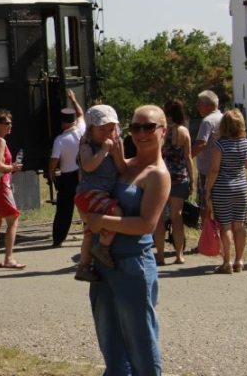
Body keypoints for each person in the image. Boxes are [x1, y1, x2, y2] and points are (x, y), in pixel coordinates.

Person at [82, 105, 170, 375]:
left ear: (163, 131)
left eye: (148, 127)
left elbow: (147, 224)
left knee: (140, 343)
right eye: (135, 127)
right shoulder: (125, 164)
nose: (141, 133)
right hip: (104, 263)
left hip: (133, 265)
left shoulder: (157, 174)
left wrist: (102, 222)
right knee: (111, 344)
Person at [74, 105, 126, 282]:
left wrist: (117, 154)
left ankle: (83, 266)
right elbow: (88, 166)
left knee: (89, 232)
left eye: (110, 129)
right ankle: (103, 247)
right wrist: (104, 151)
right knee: (116, 213)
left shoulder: (116, 142)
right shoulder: (87, 145)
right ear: (90, 128)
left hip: (103, 194)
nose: (107, 133)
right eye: (101, 129)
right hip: (89, 193)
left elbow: (122, 169)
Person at [205, 109, 247, 274]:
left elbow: (214, 170)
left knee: (225, 226)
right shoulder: (246, 143)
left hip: (223, 188)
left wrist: (207, 189)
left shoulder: (220, 144)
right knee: (239, 225)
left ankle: (227, 262)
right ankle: (239, 260)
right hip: (241, 188)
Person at [0, 109, 26, 269]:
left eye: (10, 122)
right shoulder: (0, 141)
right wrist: (12, 167)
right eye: (6, 123)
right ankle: (9, 258)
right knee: (13, 219)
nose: (10, 125)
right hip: (1, 185)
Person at [155, 99, 194, 265]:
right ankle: (179, 255)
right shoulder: (184, 131)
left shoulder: (161, 132)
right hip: (179, 176)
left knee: (159, 218)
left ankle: (161, 256)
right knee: (176, 216)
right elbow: (188, 157)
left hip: (162, 176)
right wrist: (192, 179)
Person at [47, 90, 85, 247]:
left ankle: (58, 238)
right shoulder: (82, 129)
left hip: (68, 176)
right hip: (84, 173)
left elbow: (54, 160)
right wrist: (74, 100)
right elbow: (81, 113)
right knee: (86, 206)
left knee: (64, 210)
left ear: (63, 123)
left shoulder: (60, 140)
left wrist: (51, 174)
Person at [192, 90, 222, 226]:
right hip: (222, 168)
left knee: (205, 206)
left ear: (209, 105)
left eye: (199, 104)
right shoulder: (224, 118)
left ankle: (207, 240)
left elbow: (201, 143)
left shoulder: (207, 121)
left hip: (207, 170)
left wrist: (187, 156)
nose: (197, 107)